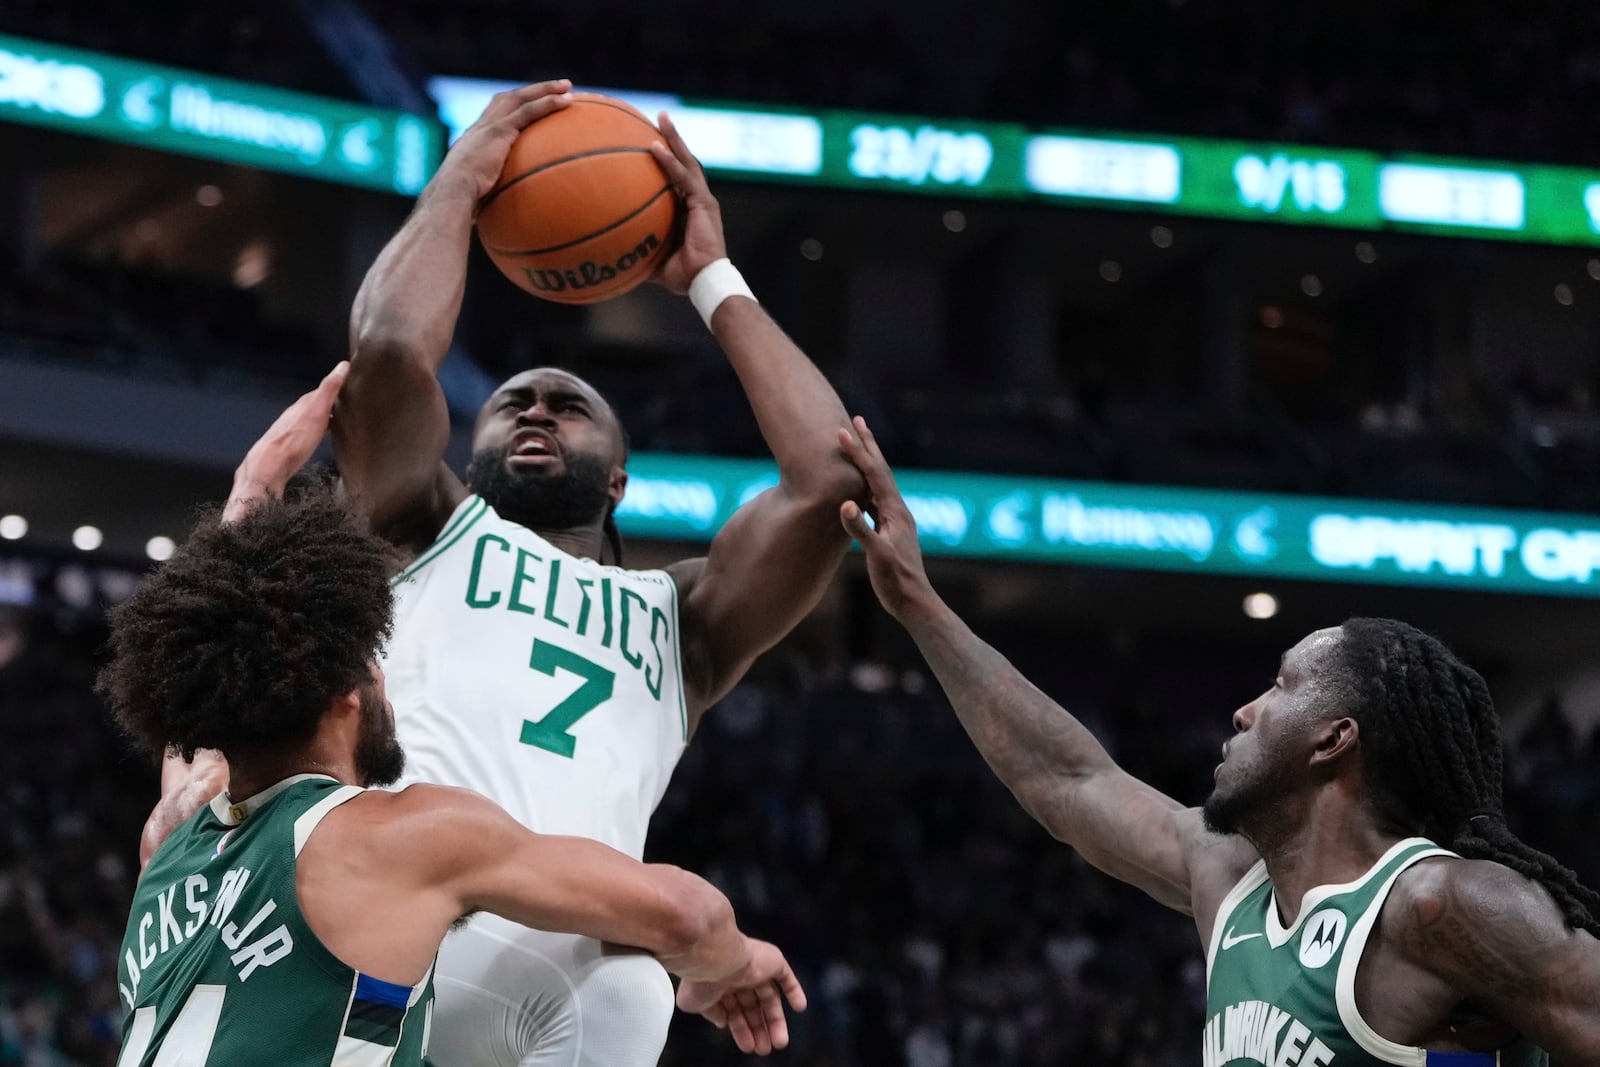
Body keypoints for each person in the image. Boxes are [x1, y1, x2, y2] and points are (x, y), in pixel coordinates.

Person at [309, 77, 864, 1066]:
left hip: (557, 950)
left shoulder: (682, 619)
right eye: (513, 399)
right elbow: (389, 350)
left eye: (565, 403)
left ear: (616, 478)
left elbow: (831, 483)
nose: (532, 405)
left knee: (630, 983)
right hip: (392, 916)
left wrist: (711, 276)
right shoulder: (417, 525)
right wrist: (458, 185)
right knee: (634, 976)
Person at [835, 415, 1600, 1065]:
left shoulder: (1435, 902)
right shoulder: (1231, 881)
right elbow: (1068, 780)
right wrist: (916, 603)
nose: (1244, 710)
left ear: (1334, 739)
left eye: (1282, 685)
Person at [103, 375, 805, 1067]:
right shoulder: (398, 836)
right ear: (348, 692)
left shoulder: (172, 836)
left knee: (375, 1013)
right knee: (627, 986)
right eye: (376, 661)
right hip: (456, 966)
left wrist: (252, 493)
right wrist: (739, 957)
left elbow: (206, 681)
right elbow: (690, 914)